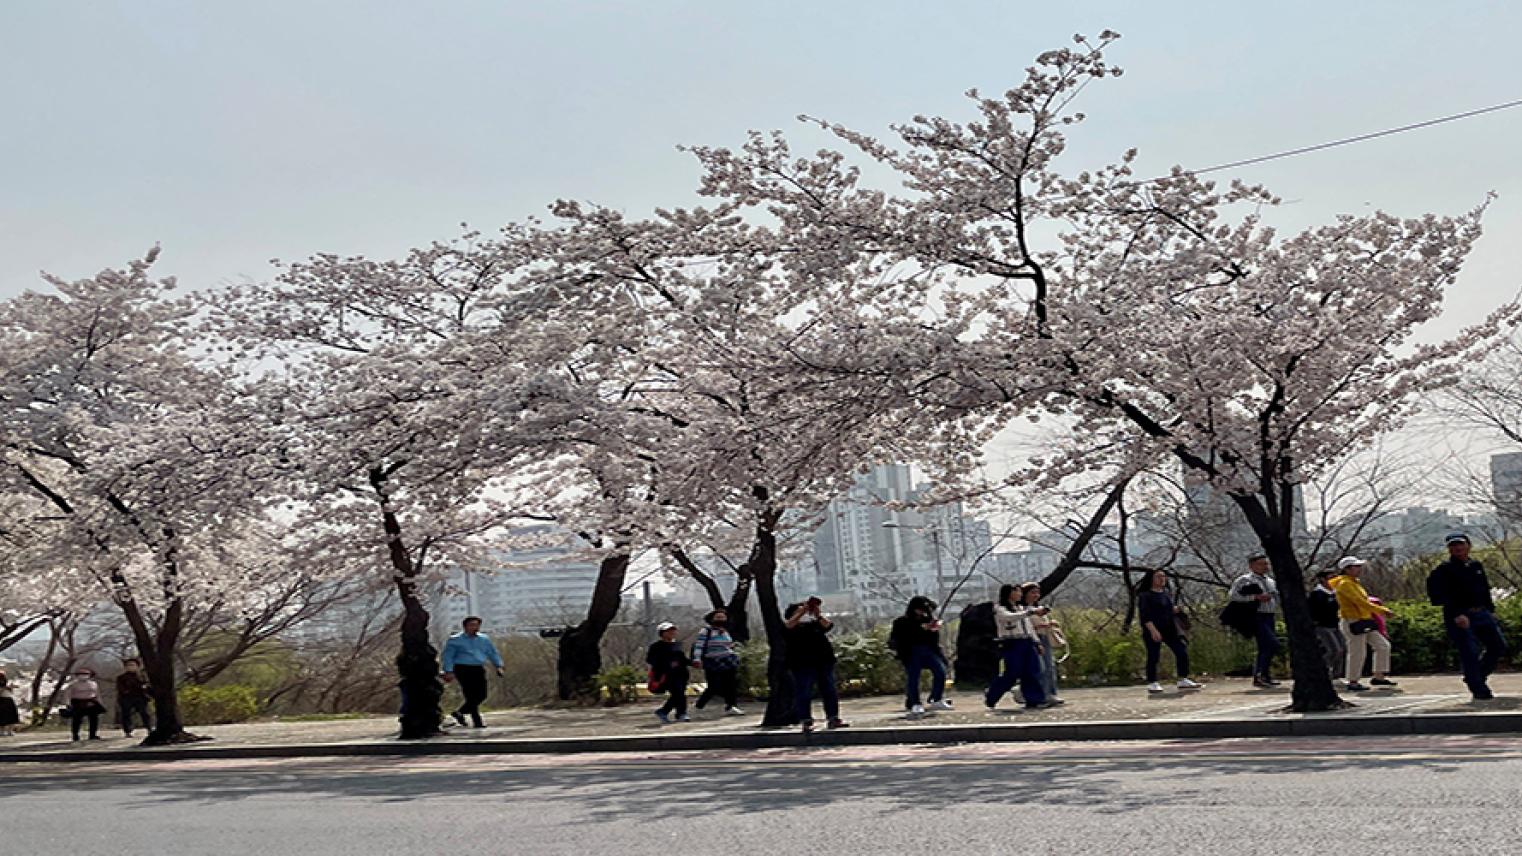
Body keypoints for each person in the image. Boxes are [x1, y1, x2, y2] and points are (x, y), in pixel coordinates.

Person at [1428, 533, 1507, 701]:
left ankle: (1476, 675)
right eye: (1453, 546)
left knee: (1498, 646)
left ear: (1468, 546)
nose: (1457, 548)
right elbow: (1438, 595)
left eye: (1460, 544)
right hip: (1460, 615)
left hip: (1482, 612)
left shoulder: (1475, 566)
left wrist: (1490, 610)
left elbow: (1484, 589)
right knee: (1469, 651)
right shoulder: (1444, 570)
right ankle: (1478, 688)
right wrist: (1457, 613)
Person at [1331, 557, 1396, 691]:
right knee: (1357, 652)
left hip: (1364, 620)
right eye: (1356, 566)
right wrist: (1382, 611)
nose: (1359, 569)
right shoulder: (1345, 584)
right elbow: (1360, 602)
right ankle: (1353, 681)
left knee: (1383, 645)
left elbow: (1363, 602)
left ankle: (1379, 676)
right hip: (1352, 620)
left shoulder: (1354, 583)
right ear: (1347, 569)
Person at [784, 597, 848, 732]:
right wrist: (800, 612)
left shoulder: (814, 624)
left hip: (823, 661)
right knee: (804, 692)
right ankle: (806, 721)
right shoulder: (792, 626)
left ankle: (833, 718)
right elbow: (789, 625)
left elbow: (828, 625)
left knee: (829, 690)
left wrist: (817, 613)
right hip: (802, 663)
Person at [1138, 570, 1203, 694]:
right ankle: (1152, 682)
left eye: (1163, 576)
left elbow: (1168, 609)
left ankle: (1183, 678)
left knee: (1181, 651)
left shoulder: (1166, 594)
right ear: (1151, 578)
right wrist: (1153, 630)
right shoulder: (1145, 595)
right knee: (1153, 655)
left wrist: (1176, 610)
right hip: (1153, 628)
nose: (1162, 579)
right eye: (1158, 576)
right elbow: (1144, 616)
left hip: (1170, 628)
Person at [984, 584, 1048, 710]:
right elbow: (1008, 617)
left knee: (1031, 671)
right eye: (1017, 591)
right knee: (1012, 673)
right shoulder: (1000, 608)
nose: (1020, 594)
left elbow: (1028, 628)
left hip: (1027, 641)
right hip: (1012, 642)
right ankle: (992, 696)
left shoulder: (1021, 608)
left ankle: (1034, 700)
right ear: (1009, 593)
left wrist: (1037, 642)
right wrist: (1030, 612)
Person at [890, 595, 951, 716]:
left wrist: (933, 630)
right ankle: (915, 703)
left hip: (929, 651)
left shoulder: (928, 620)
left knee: (941, 672)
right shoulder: (901, 622)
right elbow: (899, 638)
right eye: (920, 609)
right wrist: (921, 629)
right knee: (913, 678)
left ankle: (936, 698)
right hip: (911, 652)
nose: (922, 612)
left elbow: (933, 641)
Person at [440, 616, 504, 728]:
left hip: (478, 668)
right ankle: (477, 722)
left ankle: (459, 712)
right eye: (472, 625)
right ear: (465, 627)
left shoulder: (484, 639)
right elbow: (448, 656)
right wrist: (448, 671)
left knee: (482, 694)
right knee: (470, 695)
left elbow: (492, 652)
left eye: (477, 625)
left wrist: (498, 666)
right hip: (462, 668)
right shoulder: (455, 640)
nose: (474, 627)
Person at [1229, 555, 1281, 687]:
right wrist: (1254, 597)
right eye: (1261, 564)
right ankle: (1259, 674)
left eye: (1266, 564)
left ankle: (1264, 674)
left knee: (1265, 646)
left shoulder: (1270, 581)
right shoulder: (1245, 580)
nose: (1265, 567)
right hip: (1256, 615)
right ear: (1252, 566)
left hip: (1269, 614)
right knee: (1271, 643)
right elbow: (1234, 596)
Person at [691, 609, 744, 716]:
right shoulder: (706, 631)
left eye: (723, 617)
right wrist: (697, 659)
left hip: (727, 660)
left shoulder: (725, 631)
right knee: (713, 686)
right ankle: (699, 706)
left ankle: (731, 706)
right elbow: (699, 645)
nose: (721, 620)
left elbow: (727, 645)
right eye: (718, 617)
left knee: (731, 685)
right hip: (712, 661)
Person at [1025, 583, 1066, 705]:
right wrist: (1042, 625)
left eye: (1037, 593)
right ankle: (1043, 694)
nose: (1036, 595)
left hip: (1045, 637)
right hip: (1033, 640)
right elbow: (1026, 626)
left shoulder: (1040, 609)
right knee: (1040, 668)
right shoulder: (1023, 610)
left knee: (1049, 666)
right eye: (1032, 592)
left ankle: (1051, 693)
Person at [647, 621, 690, 723]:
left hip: (680, 673)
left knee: (680, 693)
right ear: (662, 633)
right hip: (666, 674)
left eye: (673, 630)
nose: (671, 633)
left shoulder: (677, 644)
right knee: (678, 693)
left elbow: (682, 659)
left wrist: (693, 663)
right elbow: (650, 659)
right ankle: (679, 713)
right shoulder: (656, 646)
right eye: (668, 631)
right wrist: (666, 664)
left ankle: (672, 712)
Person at [1308, 570, 1346, 681]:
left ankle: (1336, 674)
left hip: (1335, 624)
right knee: (1333, 650)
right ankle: (1322, 670)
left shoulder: (1335, 593)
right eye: (1331, 577)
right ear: (1323, 579)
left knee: (1342, 649)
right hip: (1323, 626)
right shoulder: (1317, 594)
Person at [62, 667, 104, 741]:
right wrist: (67, 703)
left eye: (86, 674)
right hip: (77, 702)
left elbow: (97, 694)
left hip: (91, 702)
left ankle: (92, 734)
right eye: (81, 674)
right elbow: (67, 694)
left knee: (94, 719)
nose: (83, 676)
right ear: (77, 675)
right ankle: (75, 734)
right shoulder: (73, 684)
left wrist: (100, 703)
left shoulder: (94, 684)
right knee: (77, 719)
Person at [115, 658, 152, 738]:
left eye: (132, 665)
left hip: (140, 697)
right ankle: (127, 731)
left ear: (137, 666)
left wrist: (145, 689)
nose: (130, 667)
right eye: (128, 665)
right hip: (127, 698)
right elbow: (121, 689)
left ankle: (149, 728)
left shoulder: (142, 676)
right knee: (126, 714)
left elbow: (147, 686)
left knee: (144, 713)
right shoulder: (121, 677)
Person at [0, 670, 20, 737]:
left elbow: (11, 691)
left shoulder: (6, 684)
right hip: (2, 699)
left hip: (9, 699)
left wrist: (11, 687)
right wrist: (4, 688)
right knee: (2, 717)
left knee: (12, 716)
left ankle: (10, 731)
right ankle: (2, 731)